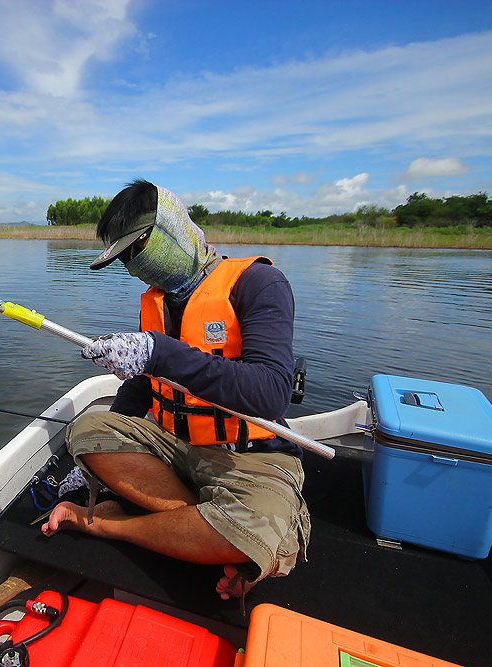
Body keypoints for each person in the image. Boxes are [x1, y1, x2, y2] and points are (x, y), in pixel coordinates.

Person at [41, 180, 309, 601]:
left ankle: (111, 524)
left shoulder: (260, 283)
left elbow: (272, 391)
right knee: (88, 430)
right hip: (178, 450)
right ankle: (201, 526)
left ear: (173, 230)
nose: (133, 266)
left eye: (137, 249)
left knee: (253, 528)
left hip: (252, 460)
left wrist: (157, 352)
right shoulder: (157, 302)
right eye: (123, 257)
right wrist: (92, 461)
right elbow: (143, 388)